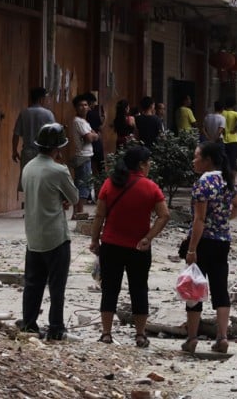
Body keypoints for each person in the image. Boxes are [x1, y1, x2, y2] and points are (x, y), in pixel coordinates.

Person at [89, 146, 169, 347]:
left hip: (111, 245)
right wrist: (148, 237)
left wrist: (94, 239)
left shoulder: (109, 184)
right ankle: (140, 334)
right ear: (141, 164)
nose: (150, 165)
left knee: (110, 289)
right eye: (148, 162)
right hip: (139, 248)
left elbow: (99, 215)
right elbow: (164, 215)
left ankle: (106, 333)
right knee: (139, 289)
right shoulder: (151, 187)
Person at [181, 142, 237, 355]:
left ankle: (192, 338)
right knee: (220, 288)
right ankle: (222, 337)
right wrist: (223, 219)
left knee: (194, 287)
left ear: (207, 160)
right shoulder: (225, 180)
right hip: (222, 240)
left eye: (197, 157)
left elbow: (199, 219)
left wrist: (192, 249)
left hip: (203, 241)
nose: (194, 161)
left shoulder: (203, 183)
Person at [20, 123, 79, 340]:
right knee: (57, 286)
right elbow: (74, 198)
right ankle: (56, 327)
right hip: (55, 236)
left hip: (33, 235)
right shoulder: (58, 170)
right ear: (58, 148)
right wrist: (62, 198)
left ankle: (29, 324)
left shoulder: (28, 168)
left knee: (32, 284)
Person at [12, 86, 56, 195]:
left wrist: (14, 151)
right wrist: (57, 151)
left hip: (28, 152)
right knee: (43, 181)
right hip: (44, 153)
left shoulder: (24, 113)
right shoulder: (48, 114)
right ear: (42, 99)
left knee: (28, 181)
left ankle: (28, 208)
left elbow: (16, 134)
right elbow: (54, 134)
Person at [69, 94, 99, 218]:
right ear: (76, 108)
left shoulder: (84, 122)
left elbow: (91, 135)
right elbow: (89, 137)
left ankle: (77, 211)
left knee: (81, 183)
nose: (83, 107)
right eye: (80, 105)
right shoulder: (78, 121)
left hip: (85, 155)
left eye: (85, 105)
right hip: (83, 155)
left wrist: (93, 135)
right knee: (83, 184)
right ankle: (79, 211)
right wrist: (95, 135)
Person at [84, 92, 106, 176]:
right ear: (91, 102)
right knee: (100, 167)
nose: (95, 105)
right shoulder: (94, 114)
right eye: (94, 103)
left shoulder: (82, 115)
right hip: (96, 142)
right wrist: (105, 118)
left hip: (86, 144)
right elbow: (100, 128)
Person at [221, 98, 237, 179]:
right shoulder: (235, 113)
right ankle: (232, 182)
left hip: (223, 140)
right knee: (233, 161)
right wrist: (235, 128)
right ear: (234, 105)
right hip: (233, 140)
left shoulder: (222, 113)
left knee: (224, 161)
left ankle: (225, 180)